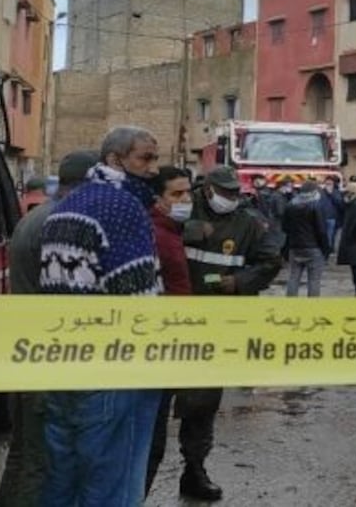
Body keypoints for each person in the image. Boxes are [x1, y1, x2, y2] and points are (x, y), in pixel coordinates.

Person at [37, 127, 163, 506]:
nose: (154, 169)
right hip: (114, 369)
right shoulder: (120, 207)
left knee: (62, 480)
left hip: (64, 365)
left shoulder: (67, 207)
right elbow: (141, 300)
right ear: (114, 160)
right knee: (112, 486)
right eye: (145, 158)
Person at [164, 166, 281, 502]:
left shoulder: (249, 223)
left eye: (234, 194)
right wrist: (185, 230)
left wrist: (240, 283)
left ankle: (195, 469)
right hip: (167, 319)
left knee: (201, 401)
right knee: (154, 400)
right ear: (207, 188)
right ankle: (141, 470)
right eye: (224, 192)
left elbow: (271, 261)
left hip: (213, 324)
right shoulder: (182, 210)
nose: (229, 199)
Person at [0, 151, 96, 507]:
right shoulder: (63, 222)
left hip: (26, 348)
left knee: (23, 454)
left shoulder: (36, 217)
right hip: (48, 353)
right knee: (40, 460)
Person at [144, 166, 194, 498]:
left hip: (172, 347)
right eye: (176, 194)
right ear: (158, 199)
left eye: (188, 192)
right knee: (149, 446)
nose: (185, 199)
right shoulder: (155, 234)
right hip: (156, 351)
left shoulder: (174, 231)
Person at [283, 180, 331, 298]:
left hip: (295, 247)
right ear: (313, 192)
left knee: (293, 277)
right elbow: (321, 230)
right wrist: (326, 249)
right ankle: (311, 308)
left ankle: (290, 303)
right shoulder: (316, 206)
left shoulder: (290, 205)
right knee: (314, 280)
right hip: (313, 248)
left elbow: (285, 227)